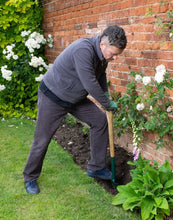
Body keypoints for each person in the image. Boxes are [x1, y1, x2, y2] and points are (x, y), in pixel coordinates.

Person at [23, 25, 127, 194]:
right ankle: (30, 177)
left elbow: (100, 76)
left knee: (100, 121)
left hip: (75, 98)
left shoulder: (102, 57)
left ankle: (96, 167)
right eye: (113, 54)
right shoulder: (83, 50)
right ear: (103, 45)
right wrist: (106, 103)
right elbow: (89, 83)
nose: (114, 58)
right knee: (42, 139)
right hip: (53, 96)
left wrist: (106, 96)